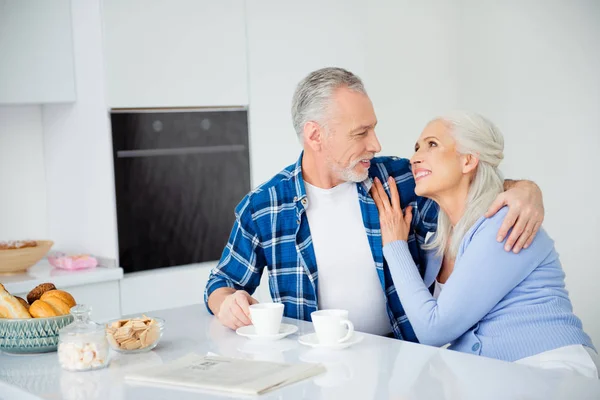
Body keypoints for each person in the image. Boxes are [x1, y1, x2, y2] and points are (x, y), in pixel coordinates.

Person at [204, 67, 544, 341]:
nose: (376, 144)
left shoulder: (400, 180)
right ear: (315, 136)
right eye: (360, 133)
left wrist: (524, 188)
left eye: (374, 129)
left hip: (404, 360)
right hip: (315, 368)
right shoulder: (264, 206)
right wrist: (225, 302)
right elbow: (220, 282)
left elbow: (472, 179)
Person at [372, 112, 598, 377]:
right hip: (498, 377)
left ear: (468, 160)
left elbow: (432, 330)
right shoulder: (436, 245)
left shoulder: (505, 222)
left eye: (432, 144)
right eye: (417, 148)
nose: (415, 158)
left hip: (550, 370)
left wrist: (395, 245)